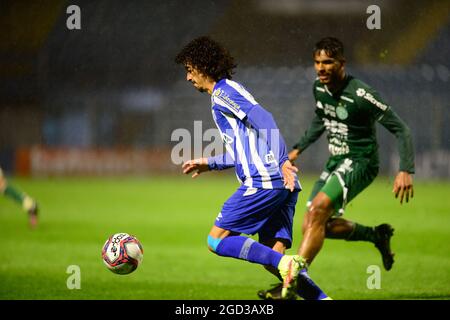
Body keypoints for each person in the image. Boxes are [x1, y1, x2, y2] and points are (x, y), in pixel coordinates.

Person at [258, 37, 415, 300]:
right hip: (335, 162)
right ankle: (376, 235)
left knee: (318, 210)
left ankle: (291, 281)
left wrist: (405, 169)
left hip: (361, 162)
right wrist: (298, 149)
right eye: (317, 62)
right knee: (313, 224)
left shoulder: (361, 94)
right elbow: (321, 120)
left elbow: (401, 129)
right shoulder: (319, 89)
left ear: (342, 63)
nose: (321, 68)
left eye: (328, 62)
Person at [175, 36, 329, 300]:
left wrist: (282, 160)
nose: (188, 78)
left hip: (265, 180)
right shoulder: (226, 93)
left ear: (202, 66)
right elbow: (244, 150)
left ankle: (288, 264)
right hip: (281, 185)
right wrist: (209, 163)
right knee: (273, 260)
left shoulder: (224, 93)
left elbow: (264, 119)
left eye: (190, 70)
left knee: (217, 240)